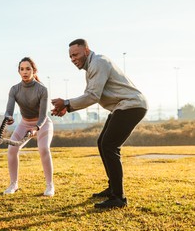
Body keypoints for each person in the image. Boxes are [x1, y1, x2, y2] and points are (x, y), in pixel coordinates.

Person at [51, 39, 148, 208]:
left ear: (86, 51)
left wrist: (66, 103)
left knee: (110, 145)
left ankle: (118, 198)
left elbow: (92, 96)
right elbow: (90, 94)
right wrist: (68, 107)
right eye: (70, 57)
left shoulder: (98, 63)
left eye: (76, 54)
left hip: (131, 106)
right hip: (122, 107)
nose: (73, 59)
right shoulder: (92, 67)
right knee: (103, 143)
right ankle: (113, 189)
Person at [3, 57, 55, 196]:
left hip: (42, 124)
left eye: (28, 69)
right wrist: (8, 117)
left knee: (44, 149)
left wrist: (36, 128)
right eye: (22, 69)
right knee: (12, 149)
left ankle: (50, 186)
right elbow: (9, 110)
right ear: (19, 71)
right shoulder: (14, 89)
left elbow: (43, 115)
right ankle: (14, 184)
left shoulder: (42, 89)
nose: (25, 72)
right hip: (25, 123)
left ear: (34, 70)